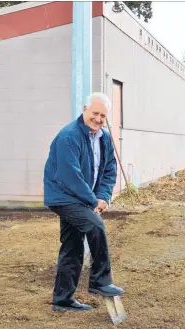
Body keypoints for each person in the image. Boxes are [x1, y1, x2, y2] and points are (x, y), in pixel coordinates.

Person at [44, 92, 124, 311]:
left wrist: (103, 197)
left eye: (103, 116)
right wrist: (92, 202)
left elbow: (109, 170)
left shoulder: (104, 138)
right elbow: (70, 176)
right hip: (63, 195)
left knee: (72, 245)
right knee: (95, 225)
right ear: (85, 109)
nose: (98, 119)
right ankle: (100, 281)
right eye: (95, 113)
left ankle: (62, 300)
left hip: (83, 197)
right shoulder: (68, 136)